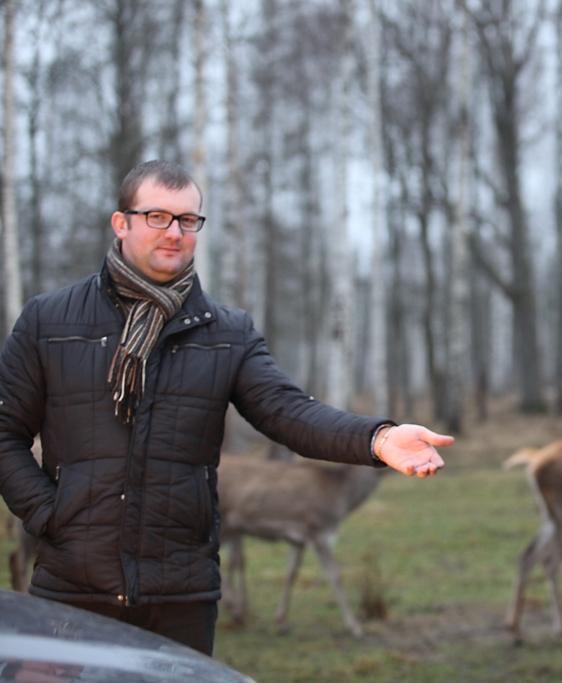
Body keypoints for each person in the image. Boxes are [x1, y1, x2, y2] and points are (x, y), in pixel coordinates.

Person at [0, 160, 452, 655]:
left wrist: (378, 438)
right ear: (121, 223)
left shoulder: (225, 332)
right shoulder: (50, 321)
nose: (174, 232)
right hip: (71, 592)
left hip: (180, 598)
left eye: (188, 220)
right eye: (157, 217)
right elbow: (5, 433)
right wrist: (51, 514)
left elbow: (287, 412)